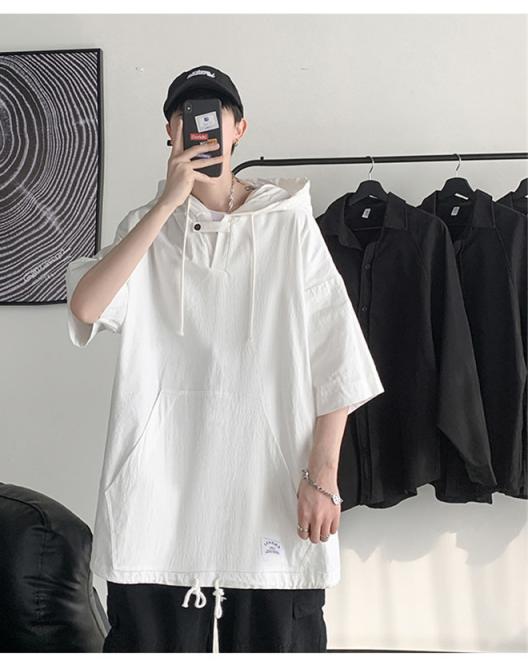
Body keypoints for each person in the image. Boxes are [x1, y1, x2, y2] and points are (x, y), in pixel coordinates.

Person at [65, 65, 385, 652]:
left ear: (239, 129)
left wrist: (324, 477)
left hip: (269, 496)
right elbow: (87, 306)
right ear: (171, 132)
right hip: (157, 503)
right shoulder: (144, 228)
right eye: (187, 117)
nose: (202, 127)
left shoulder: (288, 224)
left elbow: (335, 355)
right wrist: (167, 203)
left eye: (215, 114)